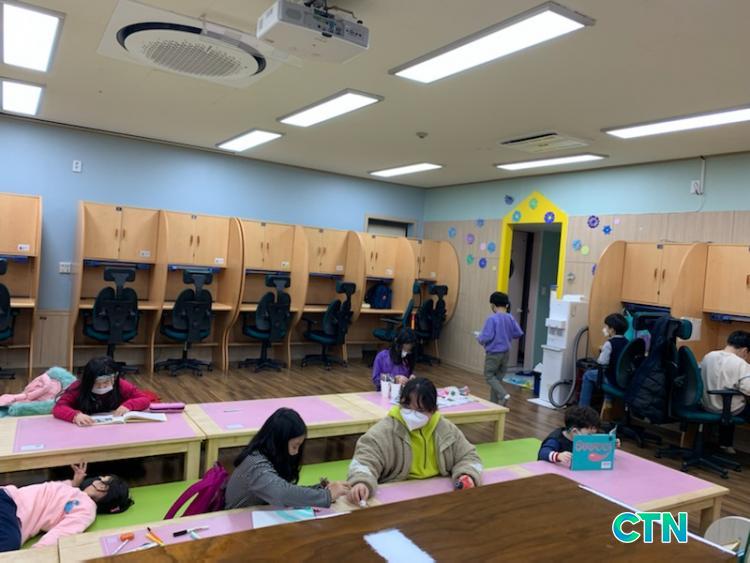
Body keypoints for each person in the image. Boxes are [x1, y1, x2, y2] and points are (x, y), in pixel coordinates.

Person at [347, 377, 482, 505]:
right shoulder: (385, 430)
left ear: (433, 410)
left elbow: (469, 456)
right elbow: (364, 460)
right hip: (396, 497)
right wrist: (362, 482)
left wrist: (467, 474)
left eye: (420, 410)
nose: (412, 414)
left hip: (440, 496)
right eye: (406, 406)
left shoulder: (446, 429)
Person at [224, 408, 350, 509]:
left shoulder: (265, 456)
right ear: (278, 442)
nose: (296, 452)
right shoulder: (256, 465)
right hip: (237, 521)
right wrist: (327, 495)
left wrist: (320, 489)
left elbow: (284, 488)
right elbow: (282, 493)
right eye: (294, 446)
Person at [0, 462, 132, 552]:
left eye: (103, 483)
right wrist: (74, 483)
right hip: (10, 504)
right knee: (9, 544)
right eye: (100, 479)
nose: (97, 482)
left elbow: (62, 532)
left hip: (9, 505)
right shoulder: (72, 491)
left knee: (9, 543)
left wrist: (39, 551)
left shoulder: (87, 508)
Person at [52, 356, 151, 426]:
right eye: (96, 383)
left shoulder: (121, 385)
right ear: (88, 381)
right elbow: (59, 407)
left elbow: (144, 399)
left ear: (114, 378)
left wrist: (128, 405)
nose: (101, 386)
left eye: (106, 382)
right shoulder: (78, 387)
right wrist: (75, 416)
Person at [700, 330, 750, 454]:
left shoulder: (708, 356)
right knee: (737, 404)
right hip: (726, 409)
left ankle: (725, 444)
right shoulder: (741, 364)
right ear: (745, 351)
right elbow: (748, 389)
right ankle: (727, 444)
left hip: (705, 405)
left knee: (730, 401)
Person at [475, 292, 523, 406]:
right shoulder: (510, 317)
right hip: (506, 353)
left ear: (493, 305)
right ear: (506, 305)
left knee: (489, 376)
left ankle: (503, 394)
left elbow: (486, 337)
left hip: (493, 353)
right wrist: (506, 334)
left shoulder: (492, 319)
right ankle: (494, 404)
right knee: (497, 379)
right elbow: (518, 333)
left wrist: (479, 337)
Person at [578, 313, 629, 407]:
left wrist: (603, 351)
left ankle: (583, 409)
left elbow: (602, 362)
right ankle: (608, 404)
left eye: (606, 327)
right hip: (624, 381)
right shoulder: (628, 342)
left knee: (588, 375)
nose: (604, 329)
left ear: (612, 329)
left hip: (612, 379)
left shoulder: (609, 343)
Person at [538, 406, 602, 466]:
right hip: (552, 470)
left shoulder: (584, 435)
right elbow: (543, 453)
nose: (592, 437)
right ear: (575, 431)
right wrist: (558, 456)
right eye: (589, 435)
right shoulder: (556, 440)